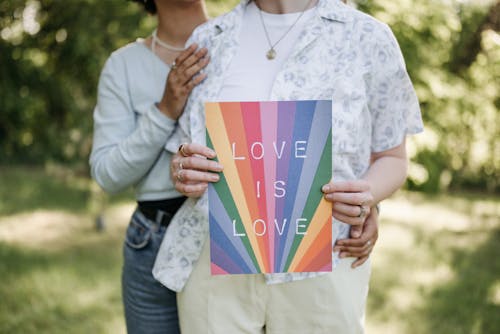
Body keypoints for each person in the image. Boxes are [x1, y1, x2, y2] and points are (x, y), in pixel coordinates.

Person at [154, 0, 423, 332]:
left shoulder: (367, 37)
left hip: (325, 259)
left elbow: (392, 158)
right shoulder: (210, 38)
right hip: (215, 260)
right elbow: (182, 152)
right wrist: (183, 170)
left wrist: (368, 194)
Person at [89, 0, 209, 332]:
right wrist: (165, 109)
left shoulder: (243, 43)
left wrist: (363, 208)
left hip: (227, 236)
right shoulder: (123, 65)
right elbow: (107, 176)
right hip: (152, 243)